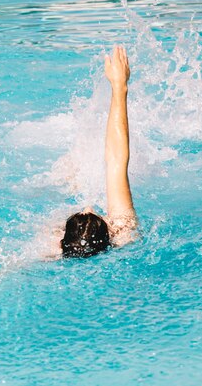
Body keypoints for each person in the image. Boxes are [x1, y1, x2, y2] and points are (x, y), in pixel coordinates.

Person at [60, 45, 138, 258]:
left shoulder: (47, 252)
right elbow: (116, 160)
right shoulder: (123, 232)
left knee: (66, 175)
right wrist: (119, 86)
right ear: (110, 233)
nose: (88, 205)